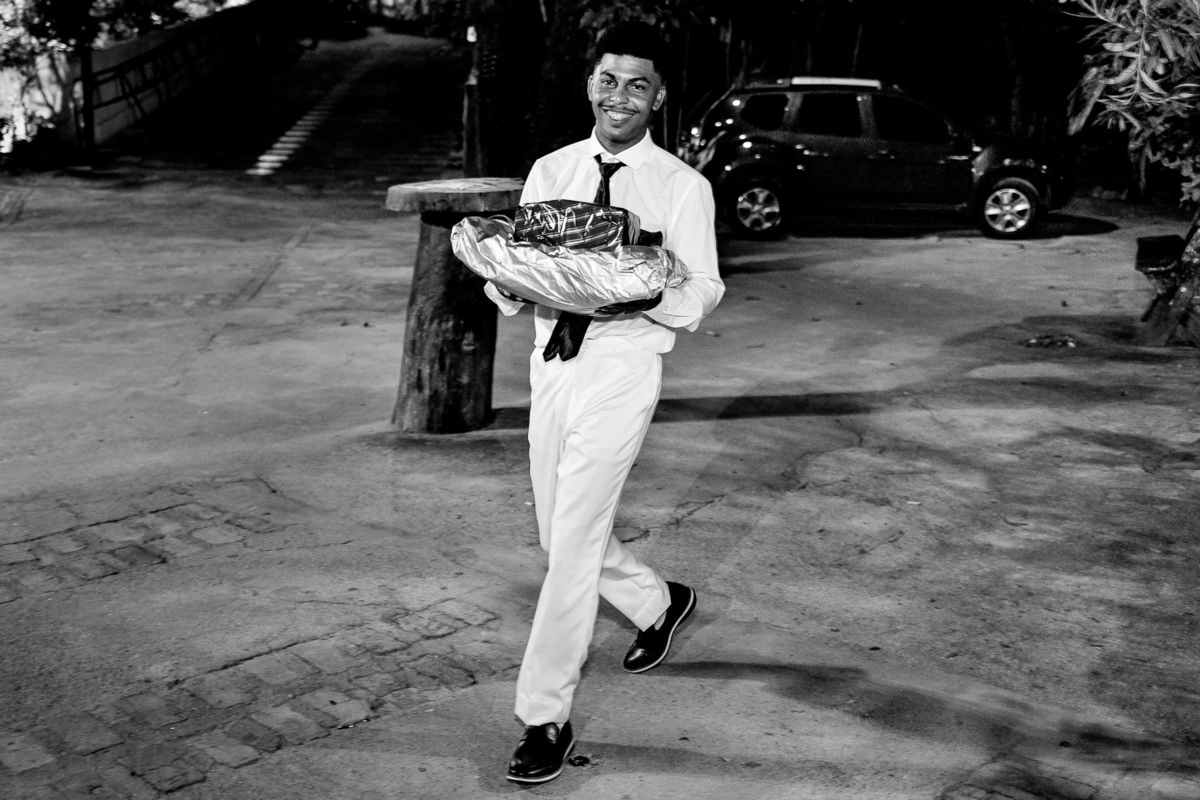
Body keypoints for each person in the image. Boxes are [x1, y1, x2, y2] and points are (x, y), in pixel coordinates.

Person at [484, 21, 725, 784]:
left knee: (574, 545)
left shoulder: (681, 187)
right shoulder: (550, 169)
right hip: (552, 366)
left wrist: (644, 292)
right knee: (559, 536)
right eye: (609, 80)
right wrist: (502, 278)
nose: (621, 96)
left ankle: (543, 716)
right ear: (591, 85)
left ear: (659, 97)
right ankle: (658, 603)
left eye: (638, 85)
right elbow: (520, 272)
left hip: (623, 369)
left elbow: (703, 290)